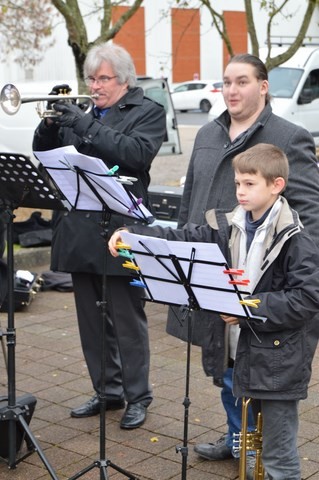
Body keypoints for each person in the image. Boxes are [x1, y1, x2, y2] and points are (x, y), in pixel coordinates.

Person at [108, 142, 319, 479]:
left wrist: (248, 308)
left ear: (276, 185)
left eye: (250, 184)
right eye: (238, 183)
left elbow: (307, 299)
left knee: (278, 456)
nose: (240, 191)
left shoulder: (297, 238)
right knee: (248, 444)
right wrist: (133, 234)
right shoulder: (228, 226)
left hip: (280, 362)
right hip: (240, 351)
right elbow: (182, 237)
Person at [165, 53, 319, 479]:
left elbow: (310, 216)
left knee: (258, 377)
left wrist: (292, 274)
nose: (232, 90)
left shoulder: (289, 136)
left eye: (242, 82)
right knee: (226, 368)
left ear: (263, 86)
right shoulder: (209, 132)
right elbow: (190, 202)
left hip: (264, 283)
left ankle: (260, 451)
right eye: (226, 82)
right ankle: (239, 440)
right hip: (216, 269)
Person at [32, 42, 167, 429]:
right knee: (91, 321)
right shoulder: (87, 112)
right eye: (91, 78)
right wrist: (50, 126)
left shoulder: (148, 112)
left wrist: (84, 123)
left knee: (127, 319)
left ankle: (138, 395)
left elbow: (135, 154)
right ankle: (107, 390)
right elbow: (46, 153)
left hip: (120, 228)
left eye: (103, 78)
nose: (95, 85)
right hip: (80, 229)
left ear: (123, 80)